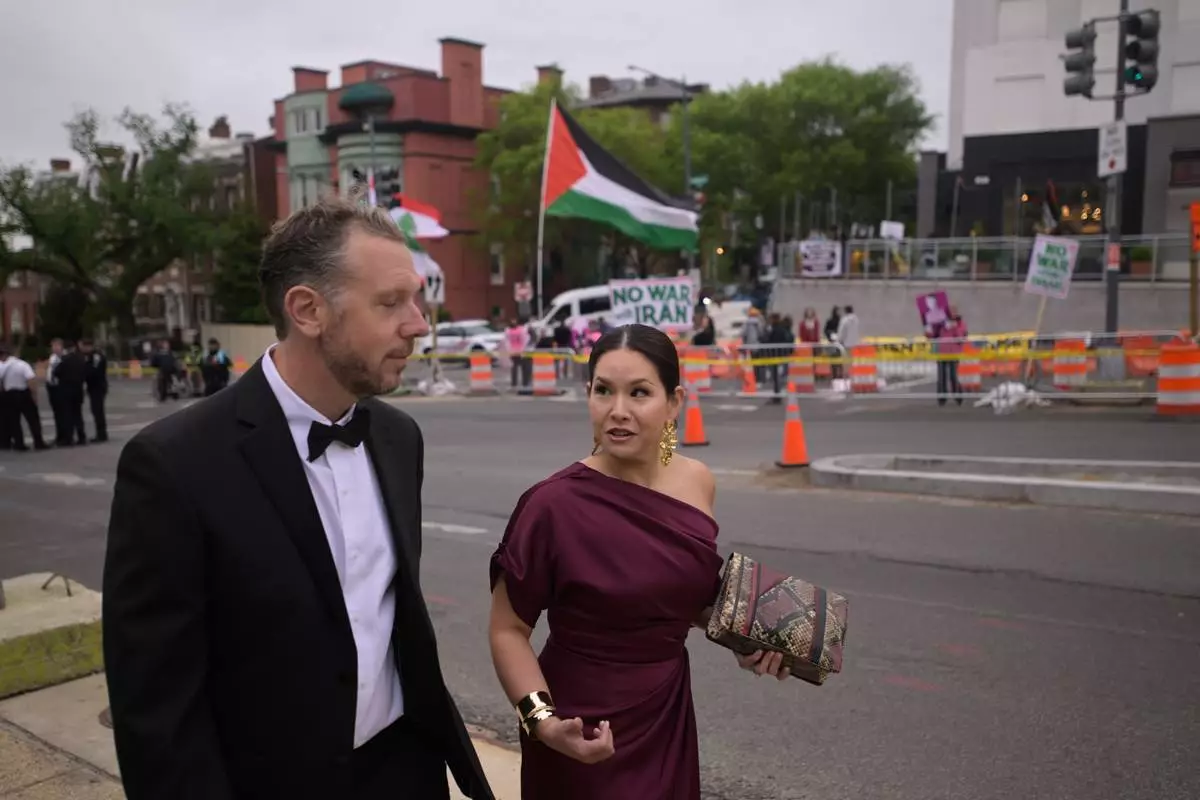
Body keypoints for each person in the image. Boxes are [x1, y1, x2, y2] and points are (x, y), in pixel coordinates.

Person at [103, 195, 493, 800]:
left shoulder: (397, 437)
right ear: (308, 310)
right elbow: (156, 708)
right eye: (390, 303)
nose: (418, 323)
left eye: (414, 300)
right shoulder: (174, 465)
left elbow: (395, 624)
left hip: (406, 772)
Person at [488, 323, 789, 800]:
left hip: (664, 717)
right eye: (603, 391)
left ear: (674, 402)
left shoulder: (697, 482)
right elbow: (507, 630)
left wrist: (744, 640)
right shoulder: (552, 505)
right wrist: (542, 722)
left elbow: (675, 595)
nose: (618, 411)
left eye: (639, 393)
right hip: (578, 728)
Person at [0, 345, 49, 451]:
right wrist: (34, 395)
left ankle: (19, 443)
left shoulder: (1, 366)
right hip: (23, 393)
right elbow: (31, 379)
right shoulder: (22, 364)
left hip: (9, 395)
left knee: (14, 421)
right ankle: (38, 442)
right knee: (33, 419)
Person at [928, 305, 969, 406]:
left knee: (953, 376)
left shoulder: (960, 324)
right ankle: (942, 398)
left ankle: (958, 396)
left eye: (953, 312)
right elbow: (933, 335)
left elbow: (961, 338)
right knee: (941, 377)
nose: (951, 314)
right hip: (942, 353)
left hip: (953, 354)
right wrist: (929, 331)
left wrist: (955, 328)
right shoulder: (941, 324)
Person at [79, 339, 108, 442]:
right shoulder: (89, 356)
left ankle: (102, 434)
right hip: (92, 387)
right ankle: (100, 433)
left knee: (98, 410)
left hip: (98, 387)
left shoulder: (96, 356)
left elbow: (94, 371)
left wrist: (83, 374)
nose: (81, 349)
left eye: (83, 346)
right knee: (95, 410)